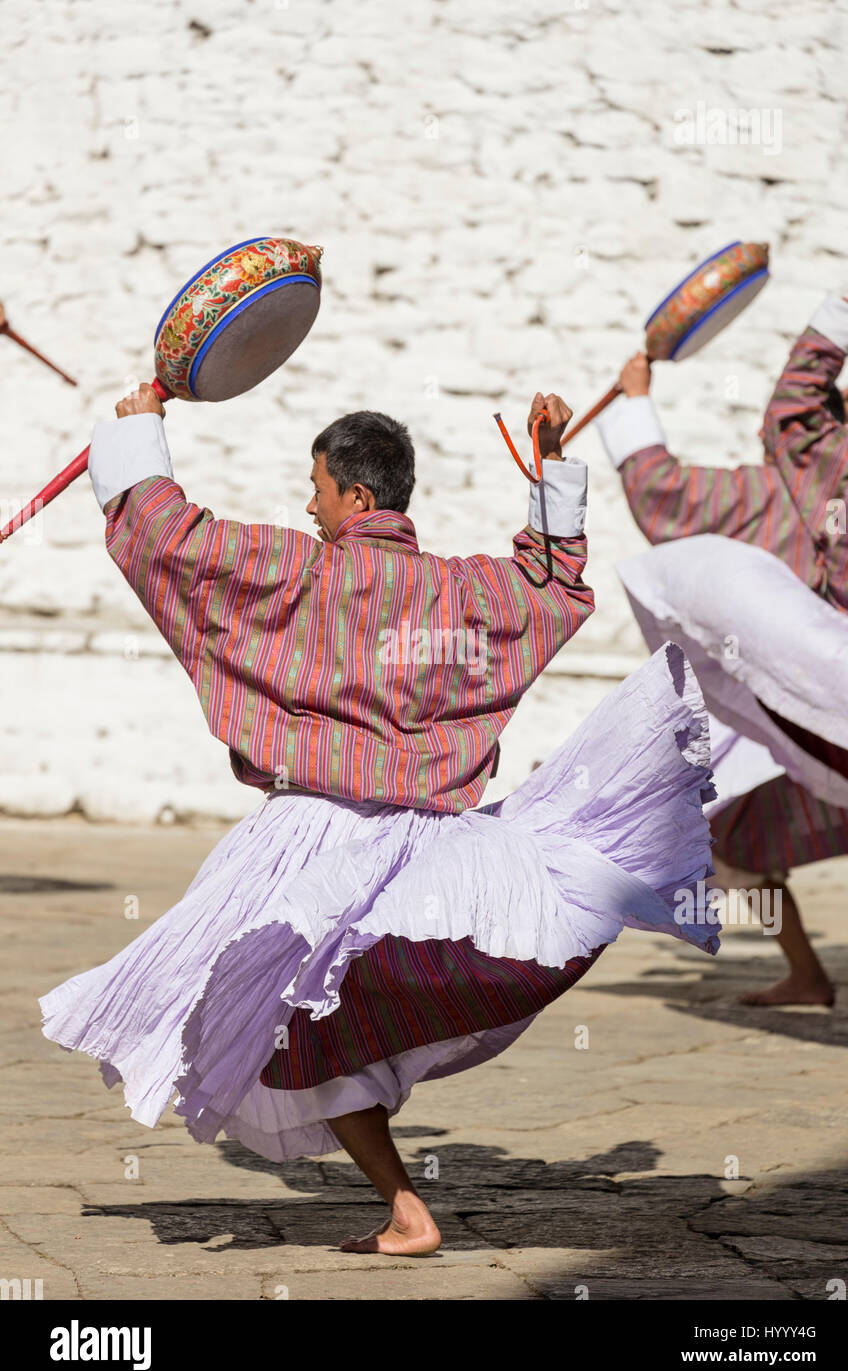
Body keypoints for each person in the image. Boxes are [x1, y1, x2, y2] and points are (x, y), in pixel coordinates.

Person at [41, 384, 718, 1255]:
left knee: (281, 1023)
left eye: (317, 487)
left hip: (312, 844)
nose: (308, 503)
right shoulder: (464, 596)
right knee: (306, 1028)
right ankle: (406, 1208)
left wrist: (141, 425)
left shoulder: (299, 574)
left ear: (358, 499)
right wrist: (550, 470)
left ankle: (404, 1204)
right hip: (424, 850)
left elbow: (174, 546)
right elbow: (551, 582)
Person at [597, 293, 848, 1010]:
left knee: (730, 833)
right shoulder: (822, 473)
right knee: (737, 834)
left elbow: (663, 494)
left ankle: (807, 970)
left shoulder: (768, 492)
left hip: (797, 710)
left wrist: (633, 404)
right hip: (815, 709)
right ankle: (807, 973)